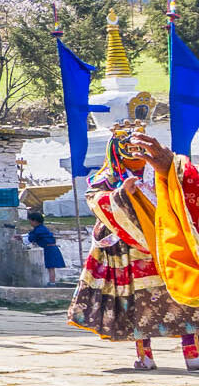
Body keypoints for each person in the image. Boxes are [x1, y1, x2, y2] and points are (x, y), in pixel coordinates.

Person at [66, 124, 199, 370]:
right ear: (117, 151)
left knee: (184, 301)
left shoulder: (161, 170)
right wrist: (120, 195)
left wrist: (168, 171)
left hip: (166, 245)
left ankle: (192, 354)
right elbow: (95, 201)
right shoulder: (106, 179)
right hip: (128, 253)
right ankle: (145, 356)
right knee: (138, 305)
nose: (136, 155)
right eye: (129, 150)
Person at [26, 212, 66, 286]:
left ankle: (52, 283)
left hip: (50, 249)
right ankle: (52, 282)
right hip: (50, 248)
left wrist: (22, 238)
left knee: (51, 267)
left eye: (30, 221)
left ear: (35, 221)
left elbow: (31, 238)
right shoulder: (40, 228)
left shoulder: (39, 230)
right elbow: (31, 235)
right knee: (50, 267)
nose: (30, 223)